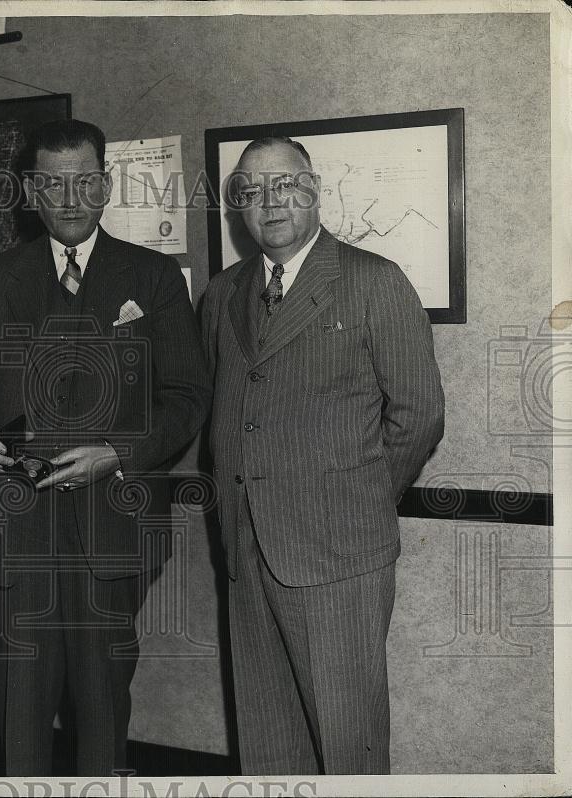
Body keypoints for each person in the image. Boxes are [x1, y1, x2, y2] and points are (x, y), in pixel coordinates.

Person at [0, 119, 211, 775]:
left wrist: (116, 453)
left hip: (112, 538)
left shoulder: (153, 279)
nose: (70, 198)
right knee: (19, 719)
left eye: (84, 182)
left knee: (102, 716)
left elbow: (184, 397)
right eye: (54, 183)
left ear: (106, 186)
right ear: (31, 191)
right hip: (11, 538)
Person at [201, 136, 445, 775]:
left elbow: (418, 415)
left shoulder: (373, 282)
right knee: (267, 741)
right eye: (250, 192)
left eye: (284, 184)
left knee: (347, 742)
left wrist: (357, 499)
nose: (268, 202)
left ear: (313, 189)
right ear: (237, 208)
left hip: (339, 553)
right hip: (247, 549)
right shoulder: (224, 293)